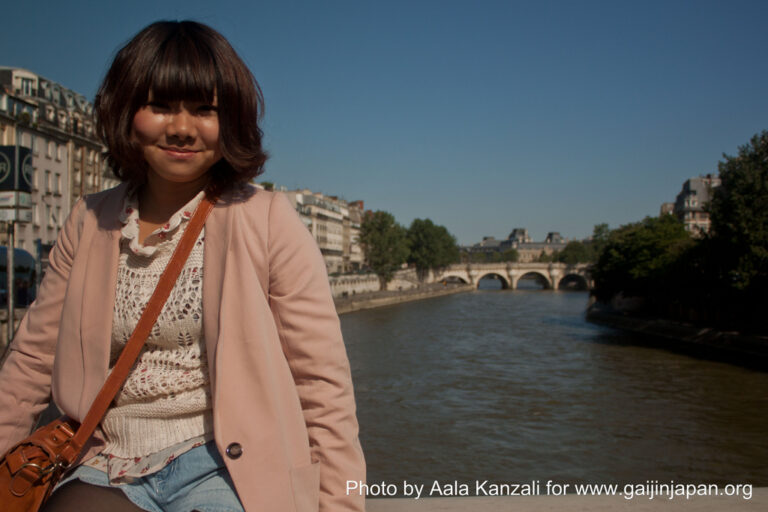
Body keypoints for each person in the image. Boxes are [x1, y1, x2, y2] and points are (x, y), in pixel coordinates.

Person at [0, 20, 365, 512]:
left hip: (225, 465)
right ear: (128, 111)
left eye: (204, 110)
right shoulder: (89, 221)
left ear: (229, 120)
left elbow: (323, 388)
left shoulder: (267, 220)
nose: (182, 128)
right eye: (161, 105)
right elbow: (29, 364)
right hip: (107, 460)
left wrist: (340, 503)